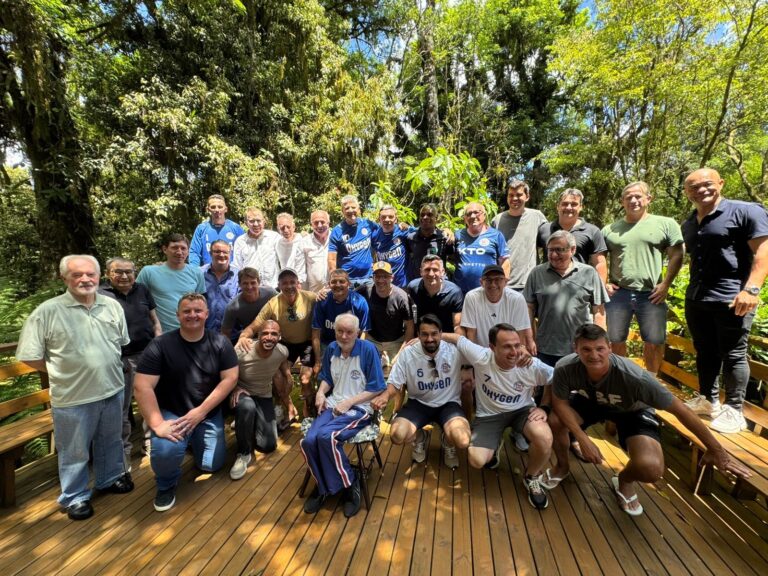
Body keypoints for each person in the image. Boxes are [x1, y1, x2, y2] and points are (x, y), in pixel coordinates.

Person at [544, 324, 751, 516]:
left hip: (631, 410)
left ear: (609, 347)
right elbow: (560, 403)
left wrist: (716, 449)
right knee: (555, 421)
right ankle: (562, 466)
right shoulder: (565, 367)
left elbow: (681, 410)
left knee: (651, 468)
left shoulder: (634, 378)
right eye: (586, 349)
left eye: (599, 348)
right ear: (576, 349)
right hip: (589, 401)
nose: (594, 355)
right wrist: (582, 438)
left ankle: (624, 480)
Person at [17, 255, 133, 520]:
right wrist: (58, 370)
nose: (85, 279)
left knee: (110, 440)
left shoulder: (112, 306)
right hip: (73, 397)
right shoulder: (47, 312)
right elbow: (28, 354)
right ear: (64, 278)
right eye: (77, 275)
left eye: (90, 274)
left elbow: (121, 342)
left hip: (112, 388)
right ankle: (75, 496)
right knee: (75, 450)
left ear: (99, 275)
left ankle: (110, 478)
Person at [134, 293, 239, 512]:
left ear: (207, 314)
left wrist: (201, 412)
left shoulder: (220, 343)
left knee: (210, 465)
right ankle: (165, 485)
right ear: (178, 315)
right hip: (174, 413)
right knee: (165, 450)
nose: (193, 315)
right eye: (187, 311)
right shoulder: (160, 345)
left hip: (207, 413)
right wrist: (157, 425)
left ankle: (192, 440)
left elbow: (230, 378)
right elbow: (142, 386)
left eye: (198, 310)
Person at [682, 168, 768, 433]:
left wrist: (752, 289)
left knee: (733, 353)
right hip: (697, 296)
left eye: (707, 184)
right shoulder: (690, 222)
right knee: (705, 350)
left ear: (721, 183)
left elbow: (763, 251)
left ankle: (734, 409)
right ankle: (708, 399)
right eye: (693, 187)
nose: (701, 190)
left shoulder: (745, 211)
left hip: (732, 297)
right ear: (687, 193)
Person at [440, 325, 555, 509]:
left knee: (545, 437)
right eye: (507, 346)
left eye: (517, 345)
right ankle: (494, 443)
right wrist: (425, 338)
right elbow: (457, 338)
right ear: (492, 348)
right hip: (490, 416)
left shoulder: (529, 363)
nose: (514, 352)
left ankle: (531, 476)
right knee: (476, 460)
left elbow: (554, 379)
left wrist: (545, 407)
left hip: (522, 411)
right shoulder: (481, 356)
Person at [300, 314, 386, 518]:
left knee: (326, 437)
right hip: (334, 404)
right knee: (309, 440)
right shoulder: (332, 348)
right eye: (340, 331)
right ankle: (323, 485)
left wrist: (349, 402)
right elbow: (327, 378)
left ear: (357, 332)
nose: (344, 336)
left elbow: (377, 387)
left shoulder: (367, 350)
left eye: (349, 332)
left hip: (360, 408)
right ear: (335, 331)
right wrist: (321, 392)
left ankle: (350, 484)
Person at [602, 181, 684, 374]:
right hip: (618, 294)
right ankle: (622, 378)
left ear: (649, 199)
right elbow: (598, 258)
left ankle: (651, 381)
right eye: (628, 197)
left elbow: (677, 255)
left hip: (652, 293)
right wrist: (603, 282)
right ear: (622, 201)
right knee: (615, 340)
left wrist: (665, 284)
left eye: (638, 196)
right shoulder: (609, 230)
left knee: (654, 341)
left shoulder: (665, 224)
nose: (633, 200)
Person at [372, 314, 469, 469]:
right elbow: (394, 383)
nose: (429, 339)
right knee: (397, 435)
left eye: (434, 334)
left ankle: (448, 442)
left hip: (448, 403)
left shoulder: (454, 350)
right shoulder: (408, 353)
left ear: (441, 334)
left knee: (463, 440)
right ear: (418, 335)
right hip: (419, 404)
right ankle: (420, 437)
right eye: (424, 334)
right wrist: (385, 396)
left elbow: (480, 355)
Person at [461, 263, 535, 451]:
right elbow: (471, 333)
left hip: (511, 350)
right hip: (484, 353)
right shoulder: (472, 297)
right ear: (481, 281)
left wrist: (523, 350)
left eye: (498, 280)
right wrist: (473, 363)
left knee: (525, 372)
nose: (493, 284)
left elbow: (521, 332)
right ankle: (479, 426)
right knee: (474, 387)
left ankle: (519, 428)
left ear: (505, 281)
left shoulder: (516, 298)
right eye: (488, 280)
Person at [99, 257, 162, 468]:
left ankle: (150, 445)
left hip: (147, 354)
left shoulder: (142, 290)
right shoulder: (100, 295)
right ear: (108, 273)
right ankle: (122, 453)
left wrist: (158, 339)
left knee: (151, 402)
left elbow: (154, 319)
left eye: (129, 271)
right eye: (119, 271)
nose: (125, 276)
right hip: (119, 358)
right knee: (122, 408)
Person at [237, 268, 317, 420]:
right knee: (278, 375)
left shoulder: (310, 297)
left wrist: (325, 292)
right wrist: (243, 336)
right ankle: (289, 407)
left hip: (307, 343)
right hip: (287, 344)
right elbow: (255, 325)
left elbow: (327, 300)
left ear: (298, 283)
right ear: (279, 285)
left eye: (292, 282)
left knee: (305, 378)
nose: (289, 286)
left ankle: (308, 407)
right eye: (284, 283)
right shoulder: (273, 303)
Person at [525, 231, 608, 367]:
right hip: (546, 348)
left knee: (579, 387)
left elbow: (599, 310)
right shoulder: (537, 273)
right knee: (547, 387)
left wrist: (600, 345)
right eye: (550, 250)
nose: (553, 255)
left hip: (581, 349)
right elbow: (528, 308)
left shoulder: (589, 273)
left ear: (573, 250)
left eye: (559, 250)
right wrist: (529, 339)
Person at [229, 320, 291, 480]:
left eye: (274, 334)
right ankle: (243, 454)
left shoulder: (282, 351)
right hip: (241, 394)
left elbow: (283, 363)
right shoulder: (242, 351)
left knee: (268, 445)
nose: (269, 337)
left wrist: (288, 375)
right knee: (247, 406)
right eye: (265, 333)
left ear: (280, 337)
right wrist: (234, 387)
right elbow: (223, 373)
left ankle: (248, 423)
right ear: (258, 335)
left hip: (263, 395)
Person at [136, 233, 206, 332]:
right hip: (160, 334)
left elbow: (200, 304)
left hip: (189, 332)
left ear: (188, 251)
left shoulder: (197, 273)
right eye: (174, 248)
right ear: (165, 249)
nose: (179, 252)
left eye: (183, 248)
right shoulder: (149, 272)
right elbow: (137, 299)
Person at [537, 188, 607, 284]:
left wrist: (600, 290)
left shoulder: (592, 231)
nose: (569, 207)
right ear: (558, 206)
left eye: (574, 204)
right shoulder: (544, 229)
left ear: (581, 207)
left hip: (579, 288)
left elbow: (600, 263)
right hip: (547, 287)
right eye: (565, 204)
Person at [491, 178, 547, 291]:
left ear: (527, 196)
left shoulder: (537, 217)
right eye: (511, 195)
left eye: (519, 194)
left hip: (528, 283)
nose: (514, 198)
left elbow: (548, 243)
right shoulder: (497, 220)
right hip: (502, 283)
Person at [357, 261, 414, 369]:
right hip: (372, 340)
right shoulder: (366, 290)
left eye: (385, 276)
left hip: (396, 341)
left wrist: (401, 353)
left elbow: (410, 327)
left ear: (392, 277)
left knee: (397, 371)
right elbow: (349, 296)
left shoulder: (401, 297)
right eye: (377, 276)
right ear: (373, 277)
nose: (381, 280)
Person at [453, 201, 509, 294]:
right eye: (469, 213)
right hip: (460, 292)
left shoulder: (496, 235)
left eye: (476, 212)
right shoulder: (457, 235)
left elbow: (505, 262)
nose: (473, 216)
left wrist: (502, 287)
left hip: (488, 292)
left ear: (484, 215)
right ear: (465, 218)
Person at [312, 268, 371, 355]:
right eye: (334, 282)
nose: (338, 285)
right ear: (329, 284)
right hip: (328, 344)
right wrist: (318, 361)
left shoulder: (359, 301)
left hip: (352, 345)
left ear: (349, 283)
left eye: (341, 281)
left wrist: (358, 354)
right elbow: (316, 332)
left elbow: (364, 332)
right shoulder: (322, 300)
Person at [327, 195, 377, 287]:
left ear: (358, 209)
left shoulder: (368, 224)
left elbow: (385, 230)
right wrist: (333, 280)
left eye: (353, 207)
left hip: (368, 278)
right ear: (342, 211)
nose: (350, 210)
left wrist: (401, 226)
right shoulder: (337, 231)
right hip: (347, 281)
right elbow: (331, 259)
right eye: (347, 208)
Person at [407, 254, 464, 333]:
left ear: (442, 272)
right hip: (421, 337)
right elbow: (410, 321)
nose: (431, 274)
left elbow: (458, 327)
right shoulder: (413, 288)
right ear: (421, 272)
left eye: (435, 270)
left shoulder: (454, 292)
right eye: (427, 269)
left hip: (446, 338)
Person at [221, 267, 277, 342]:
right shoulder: (233, 307)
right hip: (250, 338)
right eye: (245, 283)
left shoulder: (270, 293)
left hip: (273, 334)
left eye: (253, 283)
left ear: (259, 282)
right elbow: (225, 333)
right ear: (239, 284)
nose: (249, 287)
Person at [189, 194, 244, 266]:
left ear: (226, 209)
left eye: (220, 207)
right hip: (207, 274)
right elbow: (194, 253)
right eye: (213, 207)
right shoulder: (201, 229)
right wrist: (194, 272)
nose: (217, 210)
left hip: (231, 274)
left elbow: (245, 251)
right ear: (208, 209)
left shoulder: (236, 228)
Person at [233, 207, 281, 288]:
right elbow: (237, 267)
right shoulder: (240, 241)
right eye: (251, 221)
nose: (256, 224)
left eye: (258, 220)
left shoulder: (274, 237)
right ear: (246, 223)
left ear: (264, 221)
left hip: (273, 287)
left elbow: (287, 252)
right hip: (250, 289)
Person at [404, 203, 451, 283]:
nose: (425, 217)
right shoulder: (411, 238)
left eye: (429, 215)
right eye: (422, 215)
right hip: (418, 285)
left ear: (436, 218)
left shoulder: (444, 238)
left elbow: (453, 259)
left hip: (438, 284)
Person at [202, 240, 239, 333]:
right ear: (210, 253)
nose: (221, 255)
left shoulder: (238, 275)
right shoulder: (199, 273)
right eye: (217, 251)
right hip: (205, 333)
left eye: (225, 252)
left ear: (230, 254)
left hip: (232, 333)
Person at [371, 204, 410, 288]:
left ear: (395, 219)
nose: (387, 219)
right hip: (383, 285)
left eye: (390, 217)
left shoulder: (403, 231)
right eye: (383, 217)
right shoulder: (374, 236)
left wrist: (445, 231)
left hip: (402, 285)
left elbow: (424, 231)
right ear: (379, 219)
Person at [301, 209, 331, 292]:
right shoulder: (305, 242)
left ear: (328, 223)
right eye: (316, 223)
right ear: (311, 224)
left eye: (322, 222)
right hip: (314, 293)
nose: (319, 225)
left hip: (336, 292)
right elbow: (301, 269)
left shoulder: (336, 238)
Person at [275, 213, 307, 285]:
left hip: (302, 283)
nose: (286, 230)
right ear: (278, 229)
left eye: (288, 227)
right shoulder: (277, 243)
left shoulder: (303, 239)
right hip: (286, 283)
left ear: (293, 226)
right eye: (282, 228)